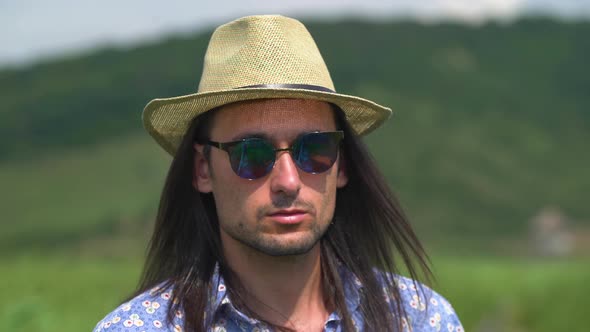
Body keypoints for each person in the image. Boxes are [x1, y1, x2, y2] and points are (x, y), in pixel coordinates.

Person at [93, 15, 464, 332]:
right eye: (252, 154)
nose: (287, 182)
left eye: (315, 150)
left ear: (343, 165)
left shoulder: (419, 319)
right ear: (202, 169)